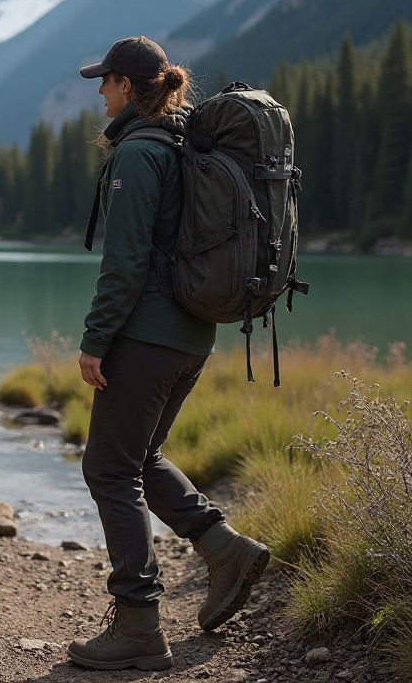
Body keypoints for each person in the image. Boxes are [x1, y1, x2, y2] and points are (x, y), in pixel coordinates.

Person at [67, 36, 268, 671]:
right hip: (192, 335)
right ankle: (225, 550)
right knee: (140, 456)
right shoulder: (184, 144)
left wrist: (96, 341)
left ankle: (138, 624)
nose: (100, 92)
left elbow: (124, 263)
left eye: (105, 81)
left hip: (146, 337)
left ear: (127, 86)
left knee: (108, 469)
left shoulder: (139, 151)